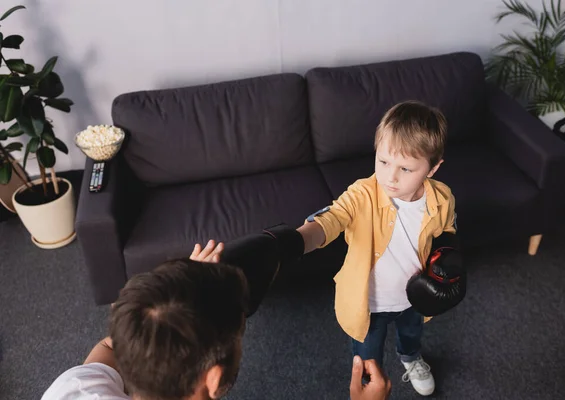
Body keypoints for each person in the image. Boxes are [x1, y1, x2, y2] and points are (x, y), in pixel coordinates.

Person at [41, 238, 392, 400]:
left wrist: (184, 289)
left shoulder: (74, 392)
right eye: (241, 330)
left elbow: (111, 345)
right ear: (213, 378)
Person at [297, 101, 456, 396]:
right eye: (383, 162)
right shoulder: (363, 193)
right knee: (368, 354)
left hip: (414, 297)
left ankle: (410, 358)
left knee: (411, 335)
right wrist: (296, 240)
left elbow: (447, 230)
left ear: (433, 168)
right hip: (369, 304)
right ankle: (370, 382)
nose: (390, 177)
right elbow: (331, 218)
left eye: (406, 168)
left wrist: (447, 259)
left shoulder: (442, 198)